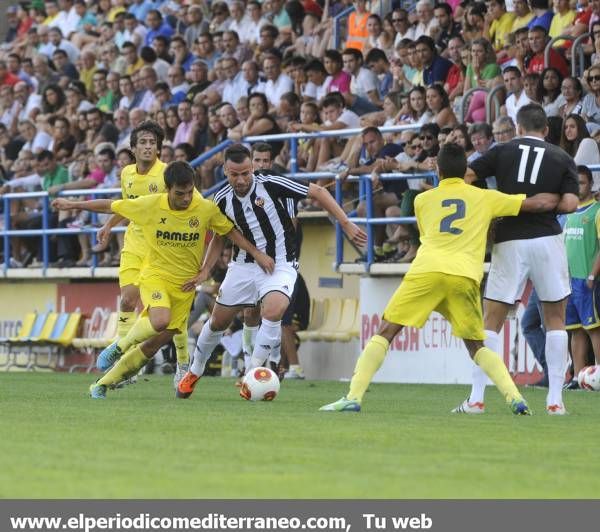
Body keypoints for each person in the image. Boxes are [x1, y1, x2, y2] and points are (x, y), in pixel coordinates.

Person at [319, 143, 560, 414]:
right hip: (463, 276)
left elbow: (428, 233)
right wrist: (560, 197)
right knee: (476, 346)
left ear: (437, 168)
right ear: (465, 170)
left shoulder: (422, 201)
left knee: (386, 330)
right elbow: (534, 203)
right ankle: (515, 398)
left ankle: (354, 396)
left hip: (427, 271)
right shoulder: (485, 197)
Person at [53, 161, 271, 399]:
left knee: (152, 345)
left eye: (190, 192)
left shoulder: (204, 208)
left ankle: (102, 385)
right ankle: (119, 346)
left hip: (184, 287)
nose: (187, 198)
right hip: (155, 276)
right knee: (159, 319)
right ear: (167, 189)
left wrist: (211, 268)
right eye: (180, 193)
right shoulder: (150, 205)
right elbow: (110, 205)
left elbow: (228, 232)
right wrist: (73, 204)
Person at [176, 144, 367, 399]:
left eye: (246, 173)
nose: (241, 179)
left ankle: (253, 373)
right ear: (225, 171)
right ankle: (194, 371)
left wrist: (345, 223)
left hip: (281, 263)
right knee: (219, 321)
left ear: (252, 168)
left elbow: (319, 191)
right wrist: (205, 270)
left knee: (274, 309)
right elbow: (220, 238)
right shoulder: (220, 200)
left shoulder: (272, 183)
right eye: (235, 174)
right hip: (243, 266)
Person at [461, 104, 579, 416]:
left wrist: (489, 205)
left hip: (509, 239)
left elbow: (467, 174)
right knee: (555, 320)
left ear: (518, 128)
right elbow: (570, 203)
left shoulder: (501, 152)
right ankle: (555, 401)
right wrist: (548, 201)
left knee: (492, 321)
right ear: (547, 130)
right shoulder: (561, 156)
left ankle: (476, 399)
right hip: (547, 240)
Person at [89, 121, 190, 387]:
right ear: (133, 148)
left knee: (172, 312)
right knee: (127, 299)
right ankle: (125, 366)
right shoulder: (126, 173)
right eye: (143, 143)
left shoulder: (167, 174)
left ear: (158, 148)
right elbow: (127, 206)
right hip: (134, 243)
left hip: (164, 248)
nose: (148, 147)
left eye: (152, 143)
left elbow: (185, 204)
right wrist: (109, 225)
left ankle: (183, 363)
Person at [563, 166, 600, 388]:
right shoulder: (568, 212)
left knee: (593, 328)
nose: (579, 187)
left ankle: (598, 374)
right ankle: (578, 377)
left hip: (587, 281)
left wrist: (592, 275)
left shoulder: (596, 211)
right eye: (575, 183)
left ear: (591, 184)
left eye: (583, 183)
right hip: (569, 282)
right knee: (575, 330)